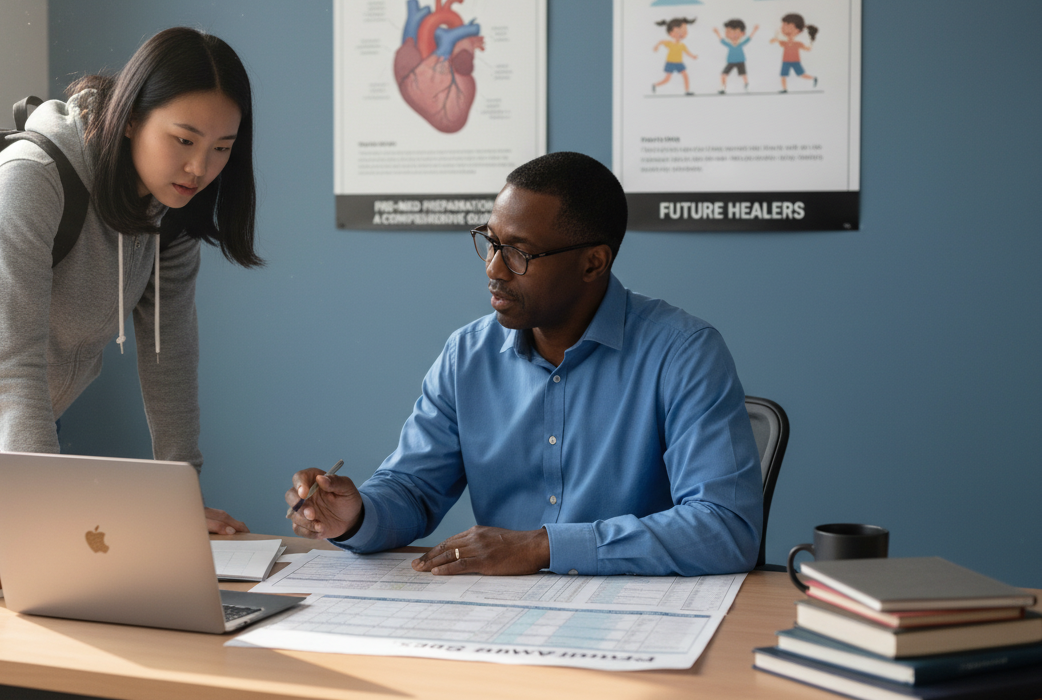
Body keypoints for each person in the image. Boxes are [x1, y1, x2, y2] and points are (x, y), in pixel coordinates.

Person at [0, 27, 260, 539]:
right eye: (183, 139)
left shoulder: (172, 210)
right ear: (133, 117)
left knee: (33, 600)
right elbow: (9, 360)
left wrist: (181, 495)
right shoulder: (31, 180)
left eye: (222, 148)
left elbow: (169, 355)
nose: (200, 167)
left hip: (27, 422)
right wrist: (54, 503)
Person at [286, 152, 763, 577]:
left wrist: (541, 547)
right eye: (491, 242)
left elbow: (725, 527)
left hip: (640, 619)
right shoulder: (467, 354)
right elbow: (413, 488)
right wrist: (356, 516)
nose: (493, 268)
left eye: (518, 252)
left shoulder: (684, 353)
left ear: (594, 263)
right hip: (497, 618)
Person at [771, 13, 819, 92]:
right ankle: (784, 89)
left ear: (797, 30)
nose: (782, 28)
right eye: (782, 25)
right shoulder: (785, 42)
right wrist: (776, 40)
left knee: (801, 75)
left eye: (786, 25)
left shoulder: (797, 43)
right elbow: (780, 43)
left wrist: (809, 46)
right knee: (783, 75)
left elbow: (805, 48)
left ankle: (813, 78)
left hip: (795, 61)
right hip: (786, 61)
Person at [651, 17, 698, 95]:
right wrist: (657, 47)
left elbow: (687, 52)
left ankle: (687, 91)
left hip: (679, 62)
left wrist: (693, 56)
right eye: (678, 31)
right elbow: (661, 42)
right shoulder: (669, 43)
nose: (682, 34)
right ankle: (655, 85)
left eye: (684, 31)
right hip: (670, 62)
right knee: (667, 79)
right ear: (671, 33)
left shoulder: (682, 45)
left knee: (685, 75)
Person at [714, 19, 759, 93]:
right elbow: (721, 40)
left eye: (735, 32)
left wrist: (754, 30)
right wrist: (717, 32)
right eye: (729, 32)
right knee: (724, 74)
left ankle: (747, 86)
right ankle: (722, 88)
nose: (733, 35)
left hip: (740, 61)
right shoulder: (729, 44)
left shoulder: (741, 43)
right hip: (731, 61)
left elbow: (749, 38)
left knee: (743, 75)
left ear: (742, 33)